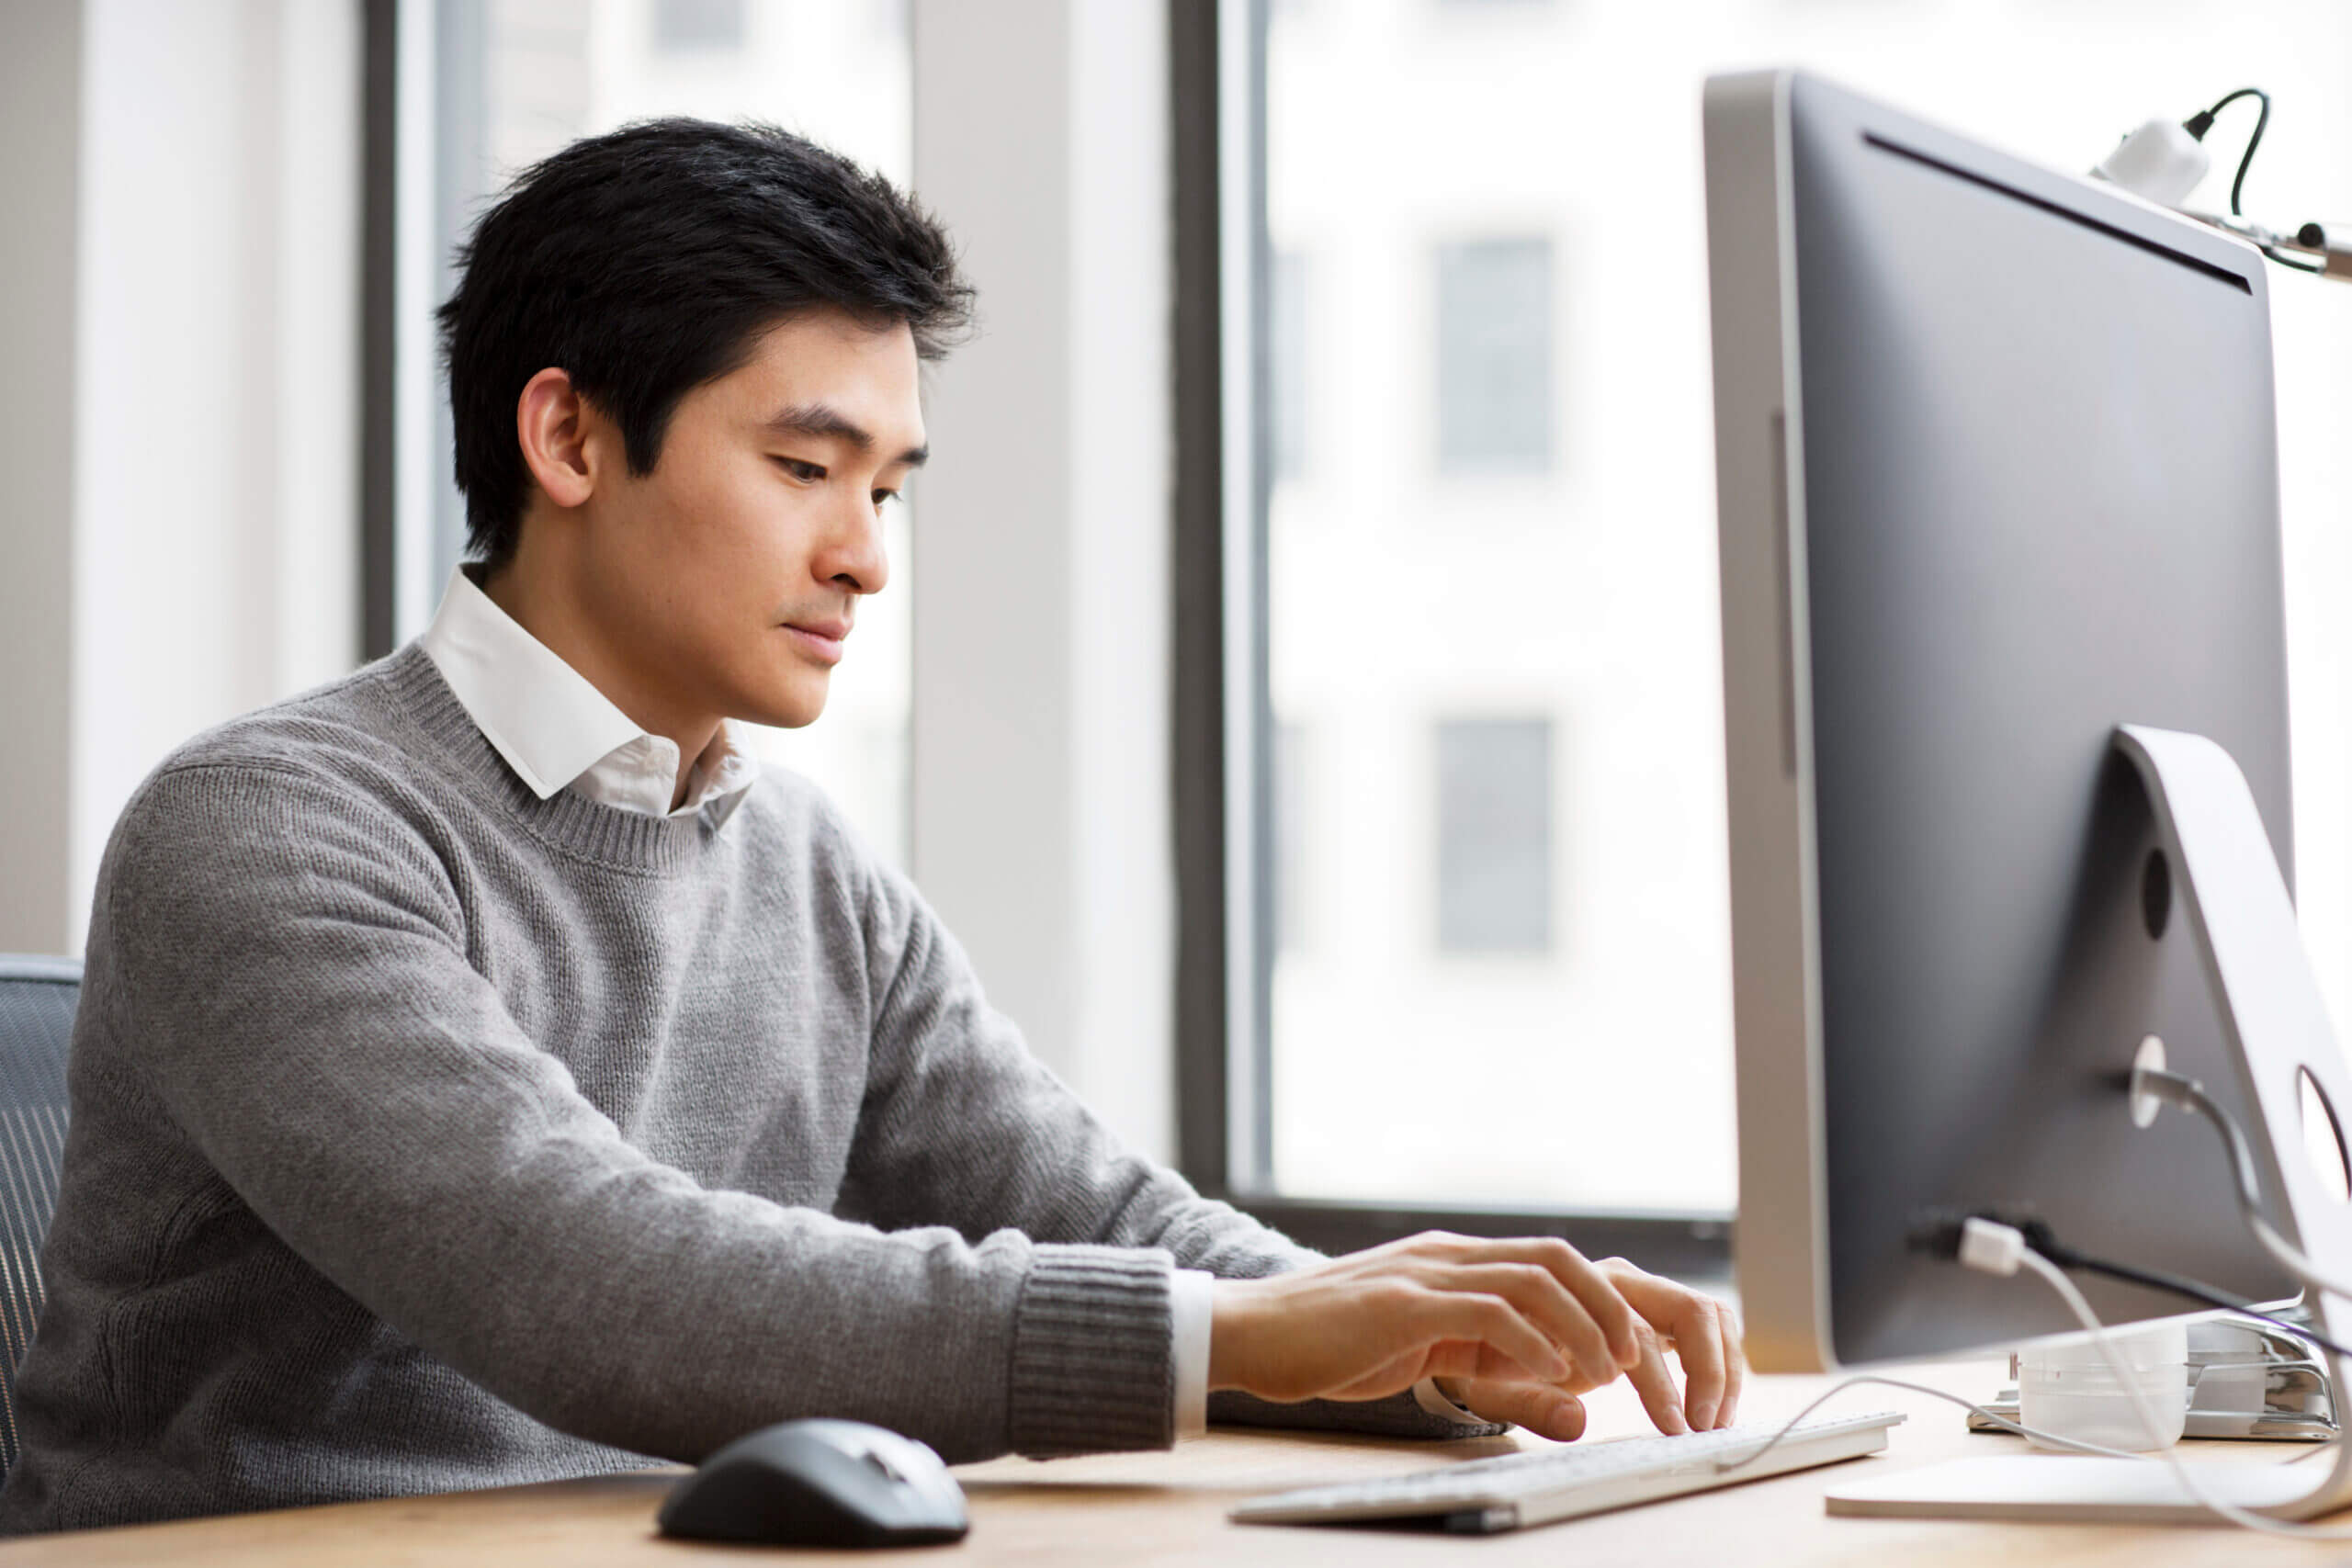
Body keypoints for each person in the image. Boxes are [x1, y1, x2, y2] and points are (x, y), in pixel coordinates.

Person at [0, 119, 1742, 1535]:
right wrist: (1261, 1331)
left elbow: (1094, 1208)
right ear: (568, 437)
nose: (866, 557)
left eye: (890, 487)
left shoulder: (807, 869)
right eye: (804, 467)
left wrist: (1410, 1341)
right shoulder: (273, 830)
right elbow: (588, 1278)